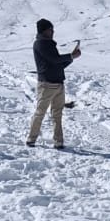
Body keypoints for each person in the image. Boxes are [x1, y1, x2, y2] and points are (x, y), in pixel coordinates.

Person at [25, 19, 79, 150]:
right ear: (44, 31)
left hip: (58, 83)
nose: (53, 32)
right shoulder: (41, 44)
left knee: (57, 113)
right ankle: (31, 139)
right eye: (50, 29)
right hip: (47, 84)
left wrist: (71, 58)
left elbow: (57, 64)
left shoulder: (48, 44)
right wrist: (70, 56)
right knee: (40, 112)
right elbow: (54, 60)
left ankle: (58, 141)